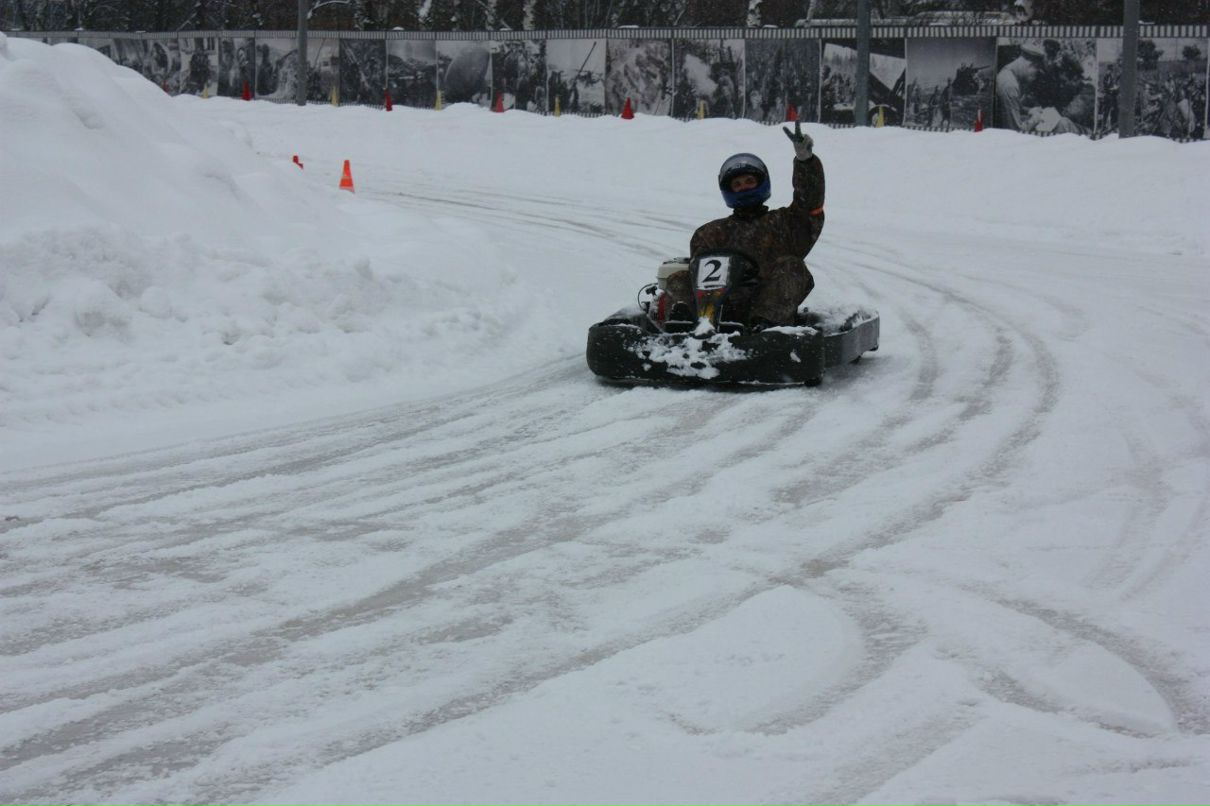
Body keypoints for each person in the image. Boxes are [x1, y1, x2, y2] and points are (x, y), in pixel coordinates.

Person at [663, 121, 824, 328]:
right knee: (680, 276)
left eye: (749, 181)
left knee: (792, 267)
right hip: (716, 309)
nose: (743, 188)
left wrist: (806, 162)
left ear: (761, 183)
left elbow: (810, 205)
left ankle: (764, 328)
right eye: (737, 185)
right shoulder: (709, 233)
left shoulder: (785, 223)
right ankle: (681, 327)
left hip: (767, 308)